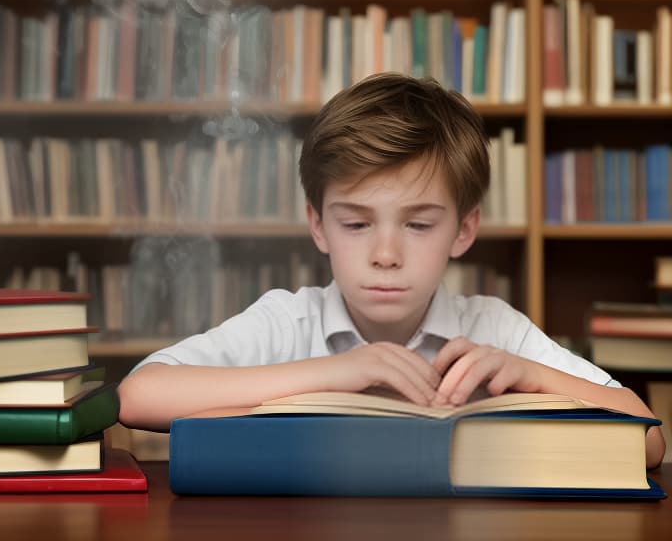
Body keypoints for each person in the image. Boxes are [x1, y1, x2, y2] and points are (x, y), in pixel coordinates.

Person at [118, 73, 665, 467]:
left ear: (464, 230)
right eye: (356, 225)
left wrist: (531, 377)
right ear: (318, 225)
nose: (385, 254)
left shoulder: (494, 330)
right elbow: (138, 396)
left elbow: (647, 440)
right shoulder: (288, 321)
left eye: (419, 226)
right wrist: (334, 375)